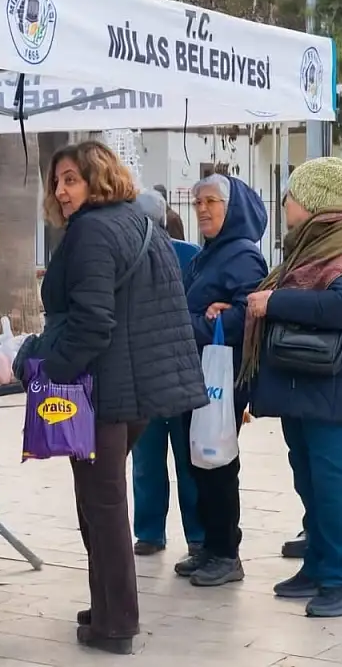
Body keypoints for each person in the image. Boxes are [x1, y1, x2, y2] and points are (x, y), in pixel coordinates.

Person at [17, 142, 208, 654]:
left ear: (97, 179)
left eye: (71, 180)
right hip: (136, 390)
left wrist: (42, 367)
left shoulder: (92, 233)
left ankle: (116, 623)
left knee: (102, 506)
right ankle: (104, 605)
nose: (60, 191)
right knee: (98, 502)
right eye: (57, 181)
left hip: (102, 392)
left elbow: (91, 323)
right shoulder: (137, 222)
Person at [244, 157, 342, 619]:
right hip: (302, 380)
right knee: (310, 481)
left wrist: (276, 301)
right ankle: (317, 567)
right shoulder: (311, 243)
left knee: (335, 486)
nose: (286, 204)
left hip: (332, 384)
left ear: (315, 200)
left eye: (292, 195)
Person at [171, 174, 269, 587]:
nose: (203, 210)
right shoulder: (208, 254)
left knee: (219, 464)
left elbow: (249, 315)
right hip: (200, 375)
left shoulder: (243, 256)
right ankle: (211, 547)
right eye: (198, 203)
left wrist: (199, 321)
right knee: (202, 464)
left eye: (212, 201)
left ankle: (227, 553)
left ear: (234, 210)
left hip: (223, 378)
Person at [128, 189, 205, 560]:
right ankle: (167, 533)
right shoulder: (188, 254)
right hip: (166, 372)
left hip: (157, 372)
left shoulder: (189, 255)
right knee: (154, 459)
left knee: (165, 458)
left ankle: (162, 533)